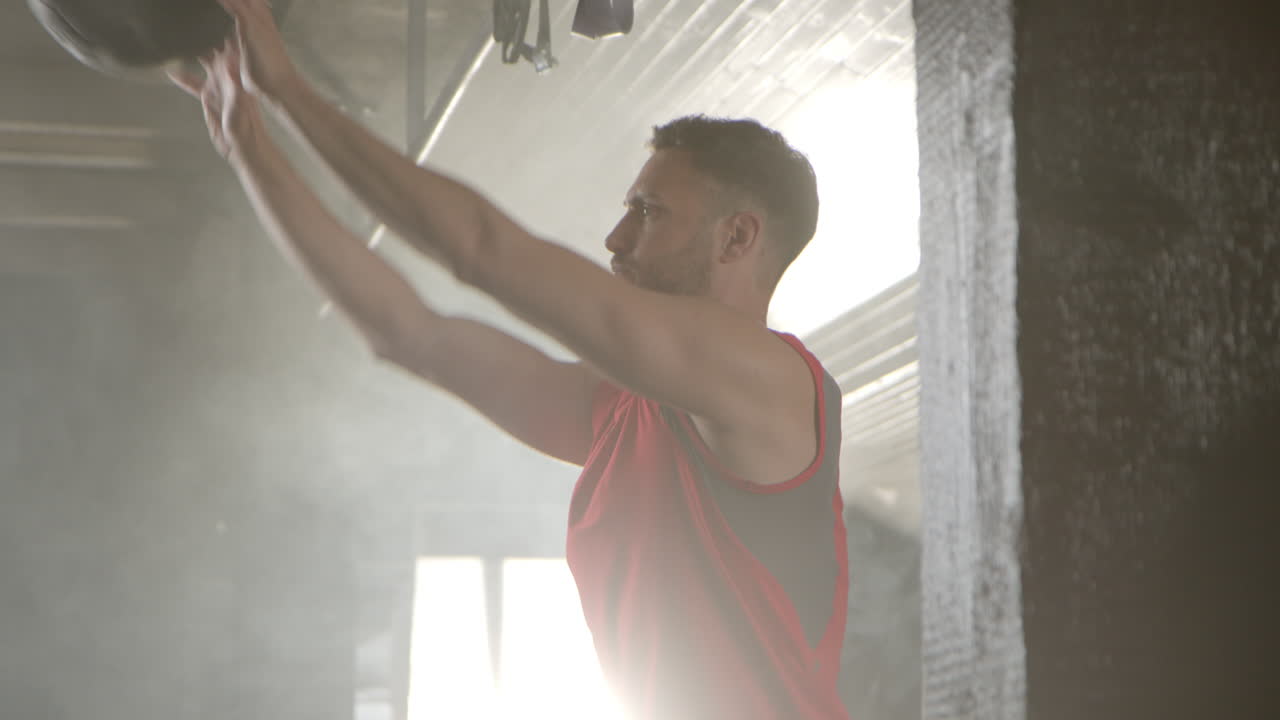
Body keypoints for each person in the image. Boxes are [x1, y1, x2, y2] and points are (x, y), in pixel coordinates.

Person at [173, 2, 849, 717]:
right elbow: (408, 333)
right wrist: (247, 146)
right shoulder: (622, 411)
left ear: (737, 238)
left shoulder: (772, 384)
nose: (616, 238)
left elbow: (481, 250)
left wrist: (289, 92)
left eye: (649, 212)